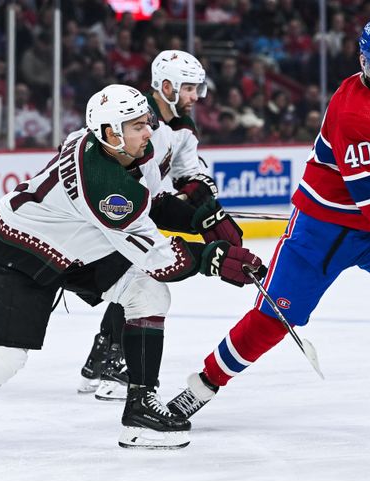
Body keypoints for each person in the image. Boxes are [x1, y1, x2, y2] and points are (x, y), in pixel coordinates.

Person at [0, 84, 265, 454]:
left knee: (147, 294)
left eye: (146, 121)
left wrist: (202, 216)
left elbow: (152, 201)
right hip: (24, 250)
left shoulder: (129, 151)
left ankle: (140, 411)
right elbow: (160, 259)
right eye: (137, 125)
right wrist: (213, 259)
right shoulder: (105, 188)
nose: (148, 130)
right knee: (3, 359)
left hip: (81, 241)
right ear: (109, 134)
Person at [167, 18, 370, 434]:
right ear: (364, 63)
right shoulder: (353, 110)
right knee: (273, 318)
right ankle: (201, 387)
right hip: (322, 232)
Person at [78, 50, 245, 402]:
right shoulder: (134, 119)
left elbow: (189, 170)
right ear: (166, 86)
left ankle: (101, 359)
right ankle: (113, 363)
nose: (195, 96)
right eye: (188, 88)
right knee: (134, 278)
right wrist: (173, 199)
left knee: (134, 280)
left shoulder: (183, 127)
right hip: (117, 212)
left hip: (148, 208)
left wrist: (198, 189)